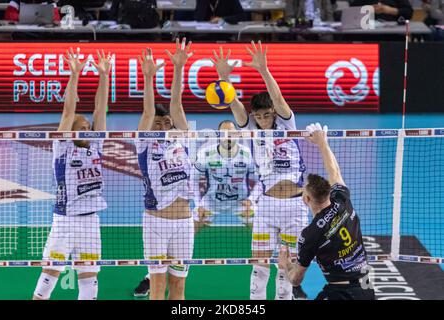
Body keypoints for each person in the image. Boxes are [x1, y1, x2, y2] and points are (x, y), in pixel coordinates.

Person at [211, 43, 309, 300]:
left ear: (274, 113)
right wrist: (223, 77)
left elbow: (277, 98)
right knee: (259, 270)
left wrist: (264, 70)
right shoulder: (252, 129)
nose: (264, 119)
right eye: (260, 116)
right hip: (266, 207)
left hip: (295, 207)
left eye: (268, 115)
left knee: (285, 272)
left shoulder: (287, 123)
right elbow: (232, 102)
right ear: (254, 115)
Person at [134, 120, 260, 297]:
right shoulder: (206, 153)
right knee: (187, 232)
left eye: (232, 133)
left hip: (240, 201)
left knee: (260, 233)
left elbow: (259, 180)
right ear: (218, 136)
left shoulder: (246, 154)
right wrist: (199, 204)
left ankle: (277, 262)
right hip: (212, 201)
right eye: (224, 133)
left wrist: (251, 200)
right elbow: (193, 179)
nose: (228, 137)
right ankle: (151, 276)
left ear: (238, 135)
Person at [32, 48, 112, 300]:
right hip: (65, 220)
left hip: (90, 221)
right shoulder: (62, 149)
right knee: (48, 278)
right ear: (70, 133)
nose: (87, 130)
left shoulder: (96, 144)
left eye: (89, 128)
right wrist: (74, 75)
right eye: (82, 128)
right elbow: (68, 112)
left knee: (90, 282)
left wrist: (104, 75)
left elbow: (101, 110)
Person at [278, 123, 375, 300]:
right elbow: (335, 172)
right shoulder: (342, 200)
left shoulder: (311, 234)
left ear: (306, 199)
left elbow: (296, 280)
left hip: (341, 294)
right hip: (366, 286)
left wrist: (285, 265)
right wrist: (322, 143)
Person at [134, 38, 194, 300]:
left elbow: (177, 104)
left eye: (166, 122)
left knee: (179, 287)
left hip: (184, 223)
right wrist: (149, 77)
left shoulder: (183, 138)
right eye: (158, 123)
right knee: (157, 288)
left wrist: (178, 68)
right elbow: (148, 112)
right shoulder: (145, 144)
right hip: (155, 223)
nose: (161, 126)